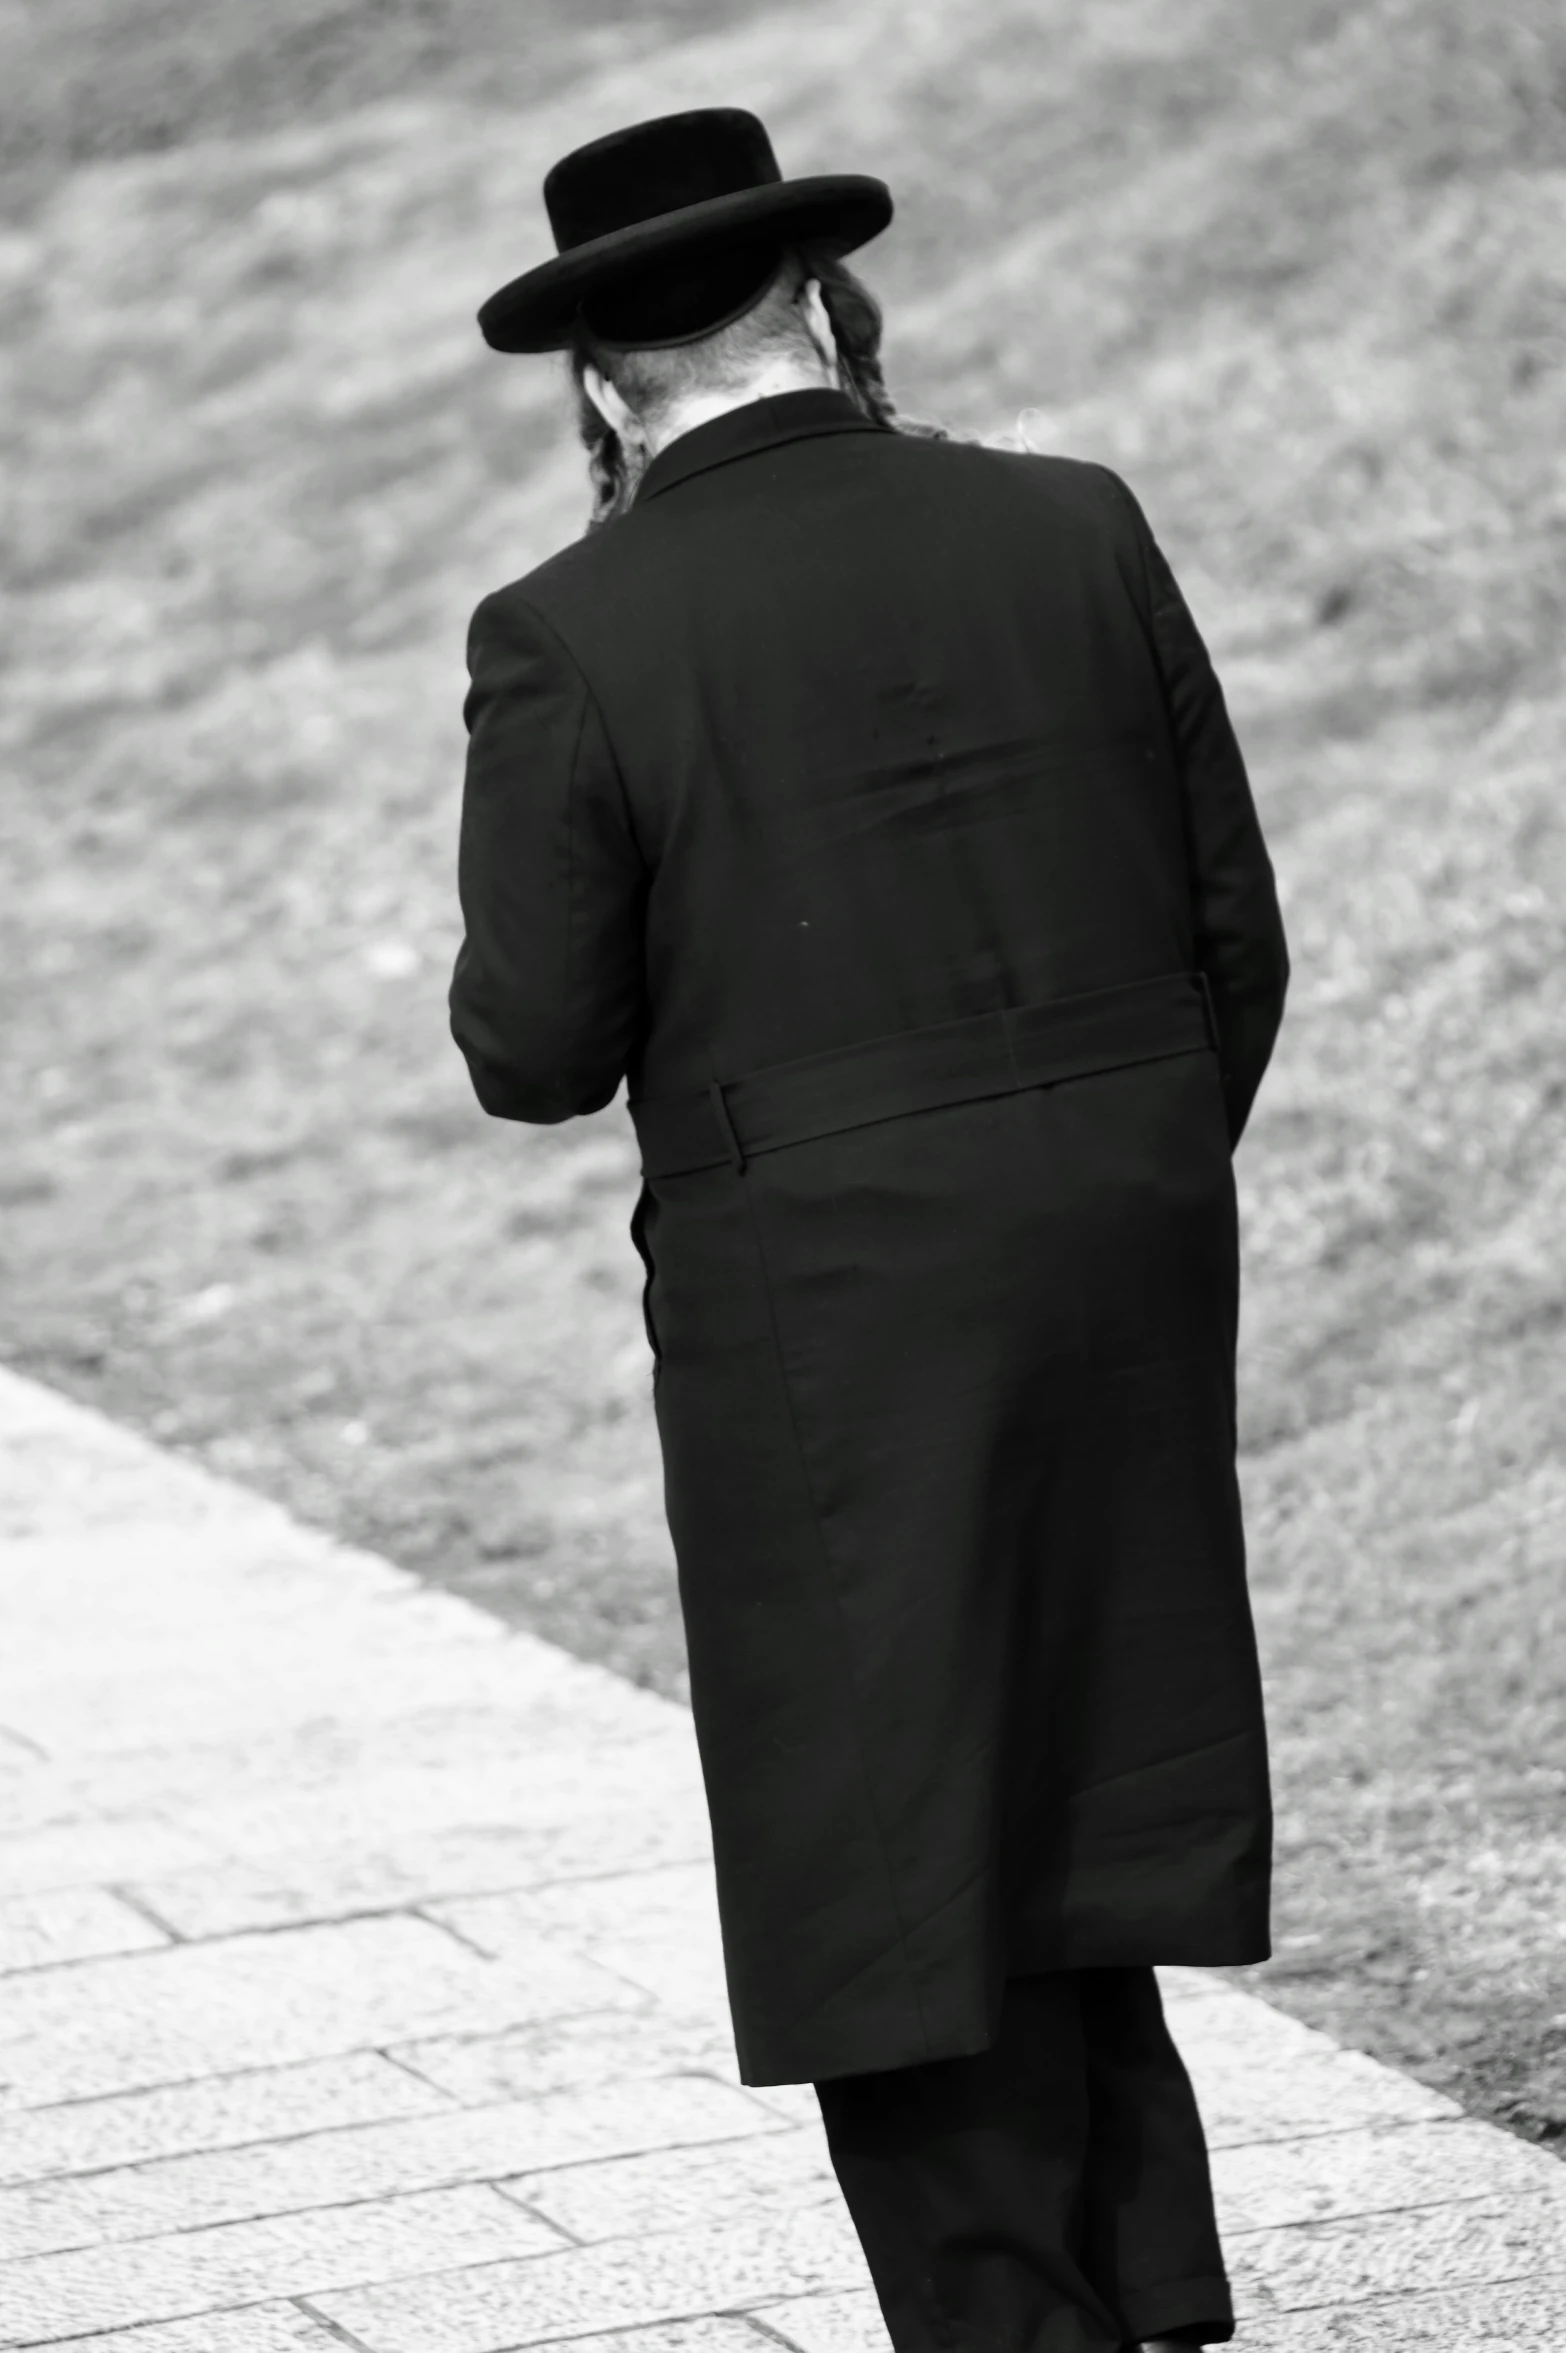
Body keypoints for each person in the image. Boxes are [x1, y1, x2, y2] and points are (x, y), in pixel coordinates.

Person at [450, 105, 1290, 2353]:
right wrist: (1114, 1158)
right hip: (1124, 1231)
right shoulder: (1072, 522)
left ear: (602, 381)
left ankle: (1020, 2320)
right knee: (1077, 1760)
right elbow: (1238, 934)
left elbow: (531, 1047)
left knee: (898, 1830)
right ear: (822, 302)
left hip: (826, 1297)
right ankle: (1151, 2284)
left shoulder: (571, 628)